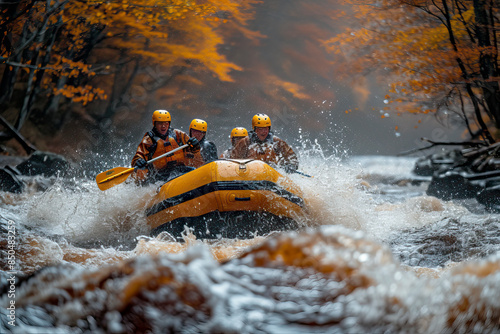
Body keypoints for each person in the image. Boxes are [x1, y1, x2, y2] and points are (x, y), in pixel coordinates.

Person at [131, 109, 200, 182]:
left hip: (179, 169)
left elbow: (194, 149)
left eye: (166, 123)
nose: (163, 126)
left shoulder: (177, 134)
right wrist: (138, 161)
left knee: (194, 171)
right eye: (160, 123)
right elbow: (138, 156)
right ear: (155, 124)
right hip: (160, 175)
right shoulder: (149, 140)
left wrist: (195, 144)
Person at [230, 113, 299, 173]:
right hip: (251, 174)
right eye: (260, 129)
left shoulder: (276, 141)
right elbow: (233, 160)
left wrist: (290, 166)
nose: (264, 132)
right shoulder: (245, 142)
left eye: (266, 129)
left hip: (271, 175)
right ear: (255, 129)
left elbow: (291, 157)